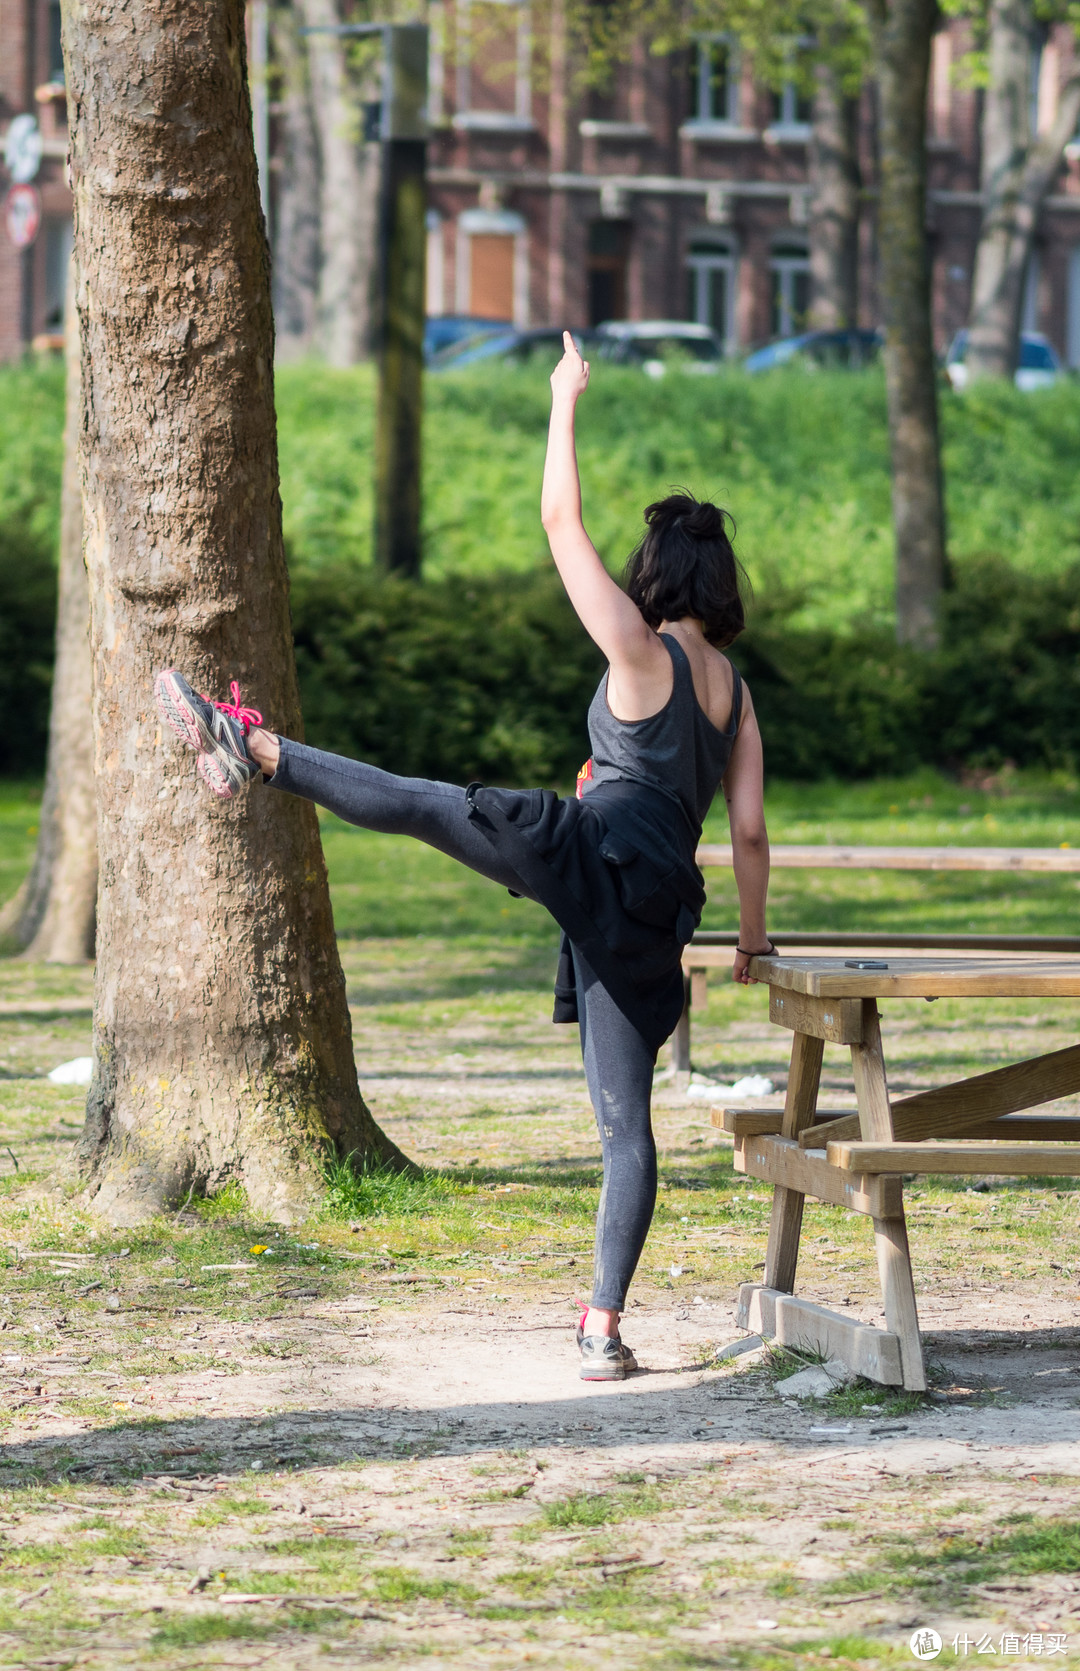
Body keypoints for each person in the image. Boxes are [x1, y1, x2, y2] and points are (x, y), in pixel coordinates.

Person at [155, 331, 773, 1382]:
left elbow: (556, 521)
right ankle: (601, 1328)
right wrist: (751, 946)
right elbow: (748, 832)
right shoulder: (737, 696)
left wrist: (563, 395)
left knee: (423, 806)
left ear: (656, 580)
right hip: (655, 912)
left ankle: (251, 747)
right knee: (628, 1130)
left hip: (593, 858)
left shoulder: (641, 647)